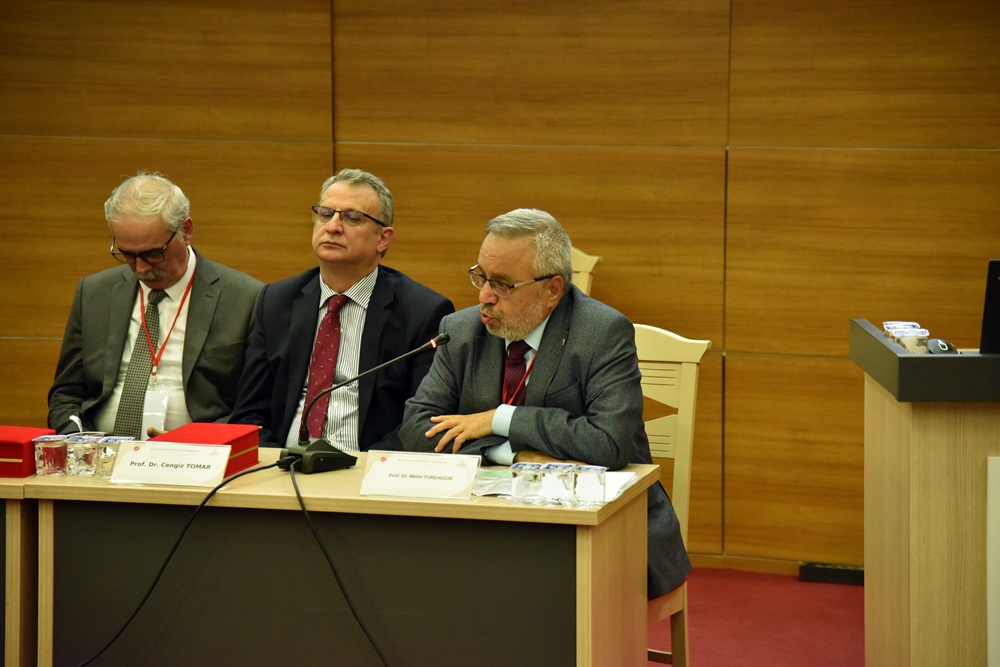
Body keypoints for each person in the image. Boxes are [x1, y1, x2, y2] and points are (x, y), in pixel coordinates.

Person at [399, 208, 690, 597]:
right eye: (481, 276)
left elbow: (610, 441)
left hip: (600, 530)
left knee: (523, 591)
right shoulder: (462, 330)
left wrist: (501, 419)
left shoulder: (603, 333)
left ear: (553, 290)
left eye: (502, 284)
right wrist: (513, 454)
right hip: (486, 525)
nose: (484, 296)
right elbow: (416, 428)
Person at [230, 168, 454, 452]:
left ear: (383, 238)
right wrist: (274, 463)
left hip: (369, 465)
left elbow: (421, 422)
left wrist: (362, 468)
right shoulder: (276, 301)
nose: (333, 226)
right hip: (284, 463)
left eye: (352, 217)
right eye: (325, 213)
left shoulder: (422, 313)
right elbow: (249, 413)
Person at [48, 172, 264, 438]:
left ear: (186, 231)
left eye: (153, 254)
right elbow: (66, 394)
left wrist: (191, 444)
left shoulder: (246, 299)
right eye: (127, 254)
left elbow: (255, 408)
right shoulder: (94, 293)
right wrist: (76, 438)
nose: (140, 268)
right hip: (101, 450)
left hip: (197, 452)